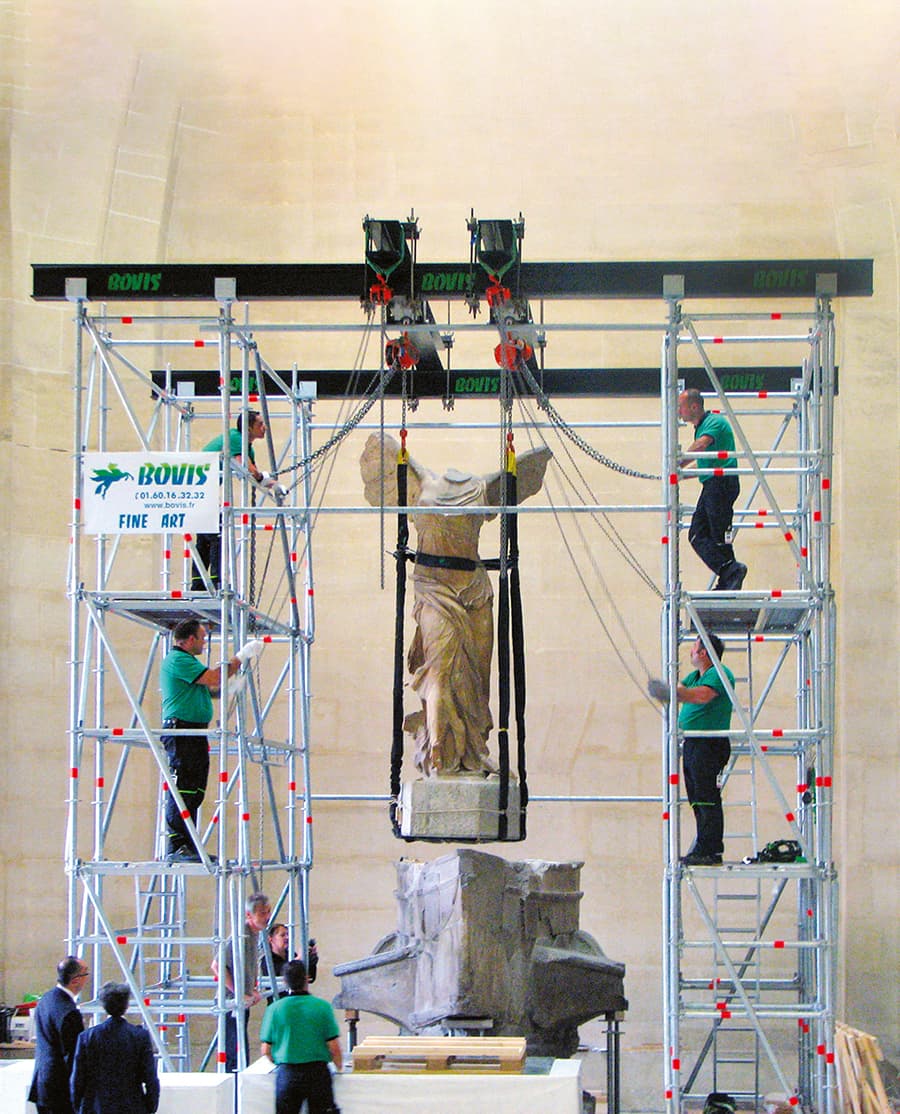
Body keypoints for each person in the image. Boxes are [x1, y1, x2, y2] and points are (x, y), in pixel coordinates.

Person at [360, 432, 551, 776]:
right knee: (439, 673)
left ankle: (476, 750)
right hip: (433, 587)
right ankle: (438, 750)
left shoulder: (480, 488)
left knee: (478, 675)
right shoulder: (419, 482)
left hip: (475, 590)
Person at [160, 618, 263, 862]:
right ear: (190, 639)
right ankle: (177, 845)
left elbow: (209, 689)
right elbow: (215, 678)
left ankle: (189, 843)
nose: (205, 643)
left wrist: (231, 687)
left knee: (194, 789)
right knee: (183, 787)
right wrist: (241, 657)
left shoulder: (188, 664)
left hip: (193, 731)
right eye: (202, 638)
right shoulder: (179, 660)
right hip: (181, 731)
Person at [651, 634, 735, 865]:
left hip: (709, 743)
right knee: (696, 796)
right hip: (693, 743)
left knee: (707, 795)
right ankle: (702, 844)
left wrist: (672, 693)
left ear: (704, 653)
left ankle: (711, 848)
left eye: (694, 647)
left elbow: (701, 696)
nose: (690, 651)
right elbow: (682, 689)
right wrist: (670, 692)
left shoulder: (719, 673)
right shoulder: (695, 676)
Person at [192, 409, 276, 591]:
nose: (264, 427)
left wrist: (273, 484)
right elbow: (248, 468)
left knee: (205, 538)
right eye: (260, 424)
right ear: (248, 427)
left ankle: (198, 584)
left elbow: (253, 473)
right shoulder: (237, 439)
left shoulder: (245, 445)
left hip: (203, 490)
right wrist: (264, 478)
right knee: (216, 536)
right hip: (199, 488)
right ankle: (215, 582)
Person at [677, 388, 747, 590]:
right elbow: (703, 464)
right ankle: (728, 571)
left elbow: (700, 446)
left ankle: (730, 575)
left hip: (722, 484)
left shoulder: (714, 422)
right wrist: (681, 474)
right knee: (697, 535)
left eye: (681, 407)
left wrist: (677, 462)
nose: (679, 412)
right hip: (712, 484)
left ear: (694, 406)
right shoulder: (701, 427)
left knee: (718, 534)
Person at [259, 959, 342, 1114]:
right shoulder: (321, 1007)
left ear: (285, 981)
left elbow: (266, 1049)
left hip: (288, 1073)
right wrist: (339, 1068)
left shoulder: (275, 1009)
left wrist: (278, 1061)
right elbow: (334, 1046)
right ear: (307, 978)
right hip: (317, 1074)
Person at [70, 982, 159, 1114]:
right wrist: (149, 1107)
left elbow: (77, 1079)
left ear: (103, 1005)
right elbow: (150, 1078)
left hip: (96, 1106)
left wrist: (78, 1106)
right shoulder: (140, 1036)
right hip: (132, 1106)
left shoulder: (87, 1037)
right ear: (126, 1005)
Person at [211, 891, 270, 1072]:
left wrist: (251, 990)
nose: (267, 917)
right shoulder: (240, 935)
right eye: (262, 913)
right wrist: (240, 993)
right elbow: (217, 966)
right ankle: (233, 1094)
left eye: (268, 912)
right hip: (230, 1003)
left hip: (241, 1001)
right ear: (249, 915)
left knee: (240, 1051)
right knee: (234, 1054)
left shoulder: (254, 934)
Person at [28, 956, 88, 1114]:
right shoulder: (68, 1012)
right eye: (85, 974)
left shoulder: (46, 999)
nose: (87, 979)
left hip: (42, 1082)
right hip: (60, 1089)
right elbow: (74, 1055)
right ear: (75, 980)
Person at [263, 924, 318, 1002]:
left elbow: (310, 978)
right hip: (279, 1004)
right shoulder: (267, 959)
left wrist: (311, 961)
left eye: (287, 934)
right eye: (282, 935)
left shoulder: (291, 954)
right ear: (270, 939)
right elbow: (281, 974)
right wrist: (298, 959)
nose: (287, 937)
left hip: (297, 1002)